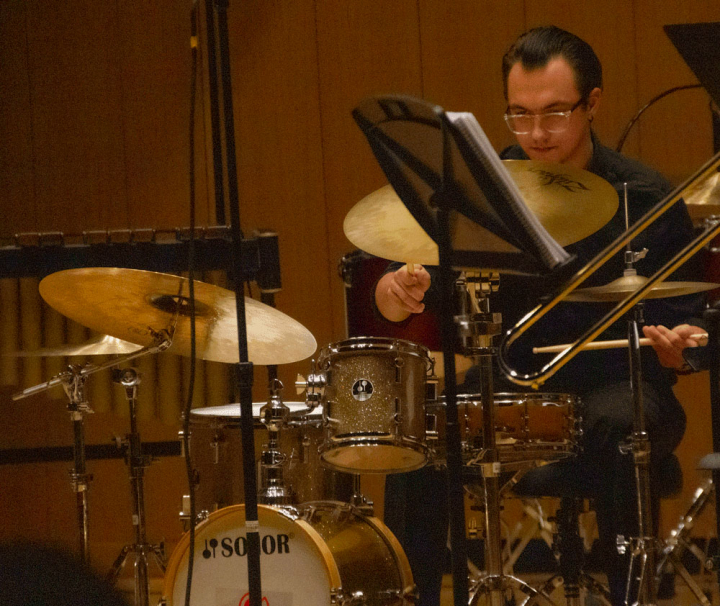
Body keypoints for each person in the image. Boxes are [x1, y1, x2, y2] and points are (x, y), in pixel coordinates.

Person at [376, 26, 706, 606]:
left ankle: (630, 594)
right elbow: (417, 287)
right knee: (419, 433)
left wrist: (682, 346)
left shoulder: (644, 194)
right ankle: (412, 598)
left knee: (621, 426)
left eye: (554, 114)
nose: (535, 134)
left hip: (620, 382)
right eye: (519, 115)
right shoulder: (485, 185)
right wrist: (397, 289)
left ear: (593, 103)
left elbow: (693, 318)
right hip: (515, 382)